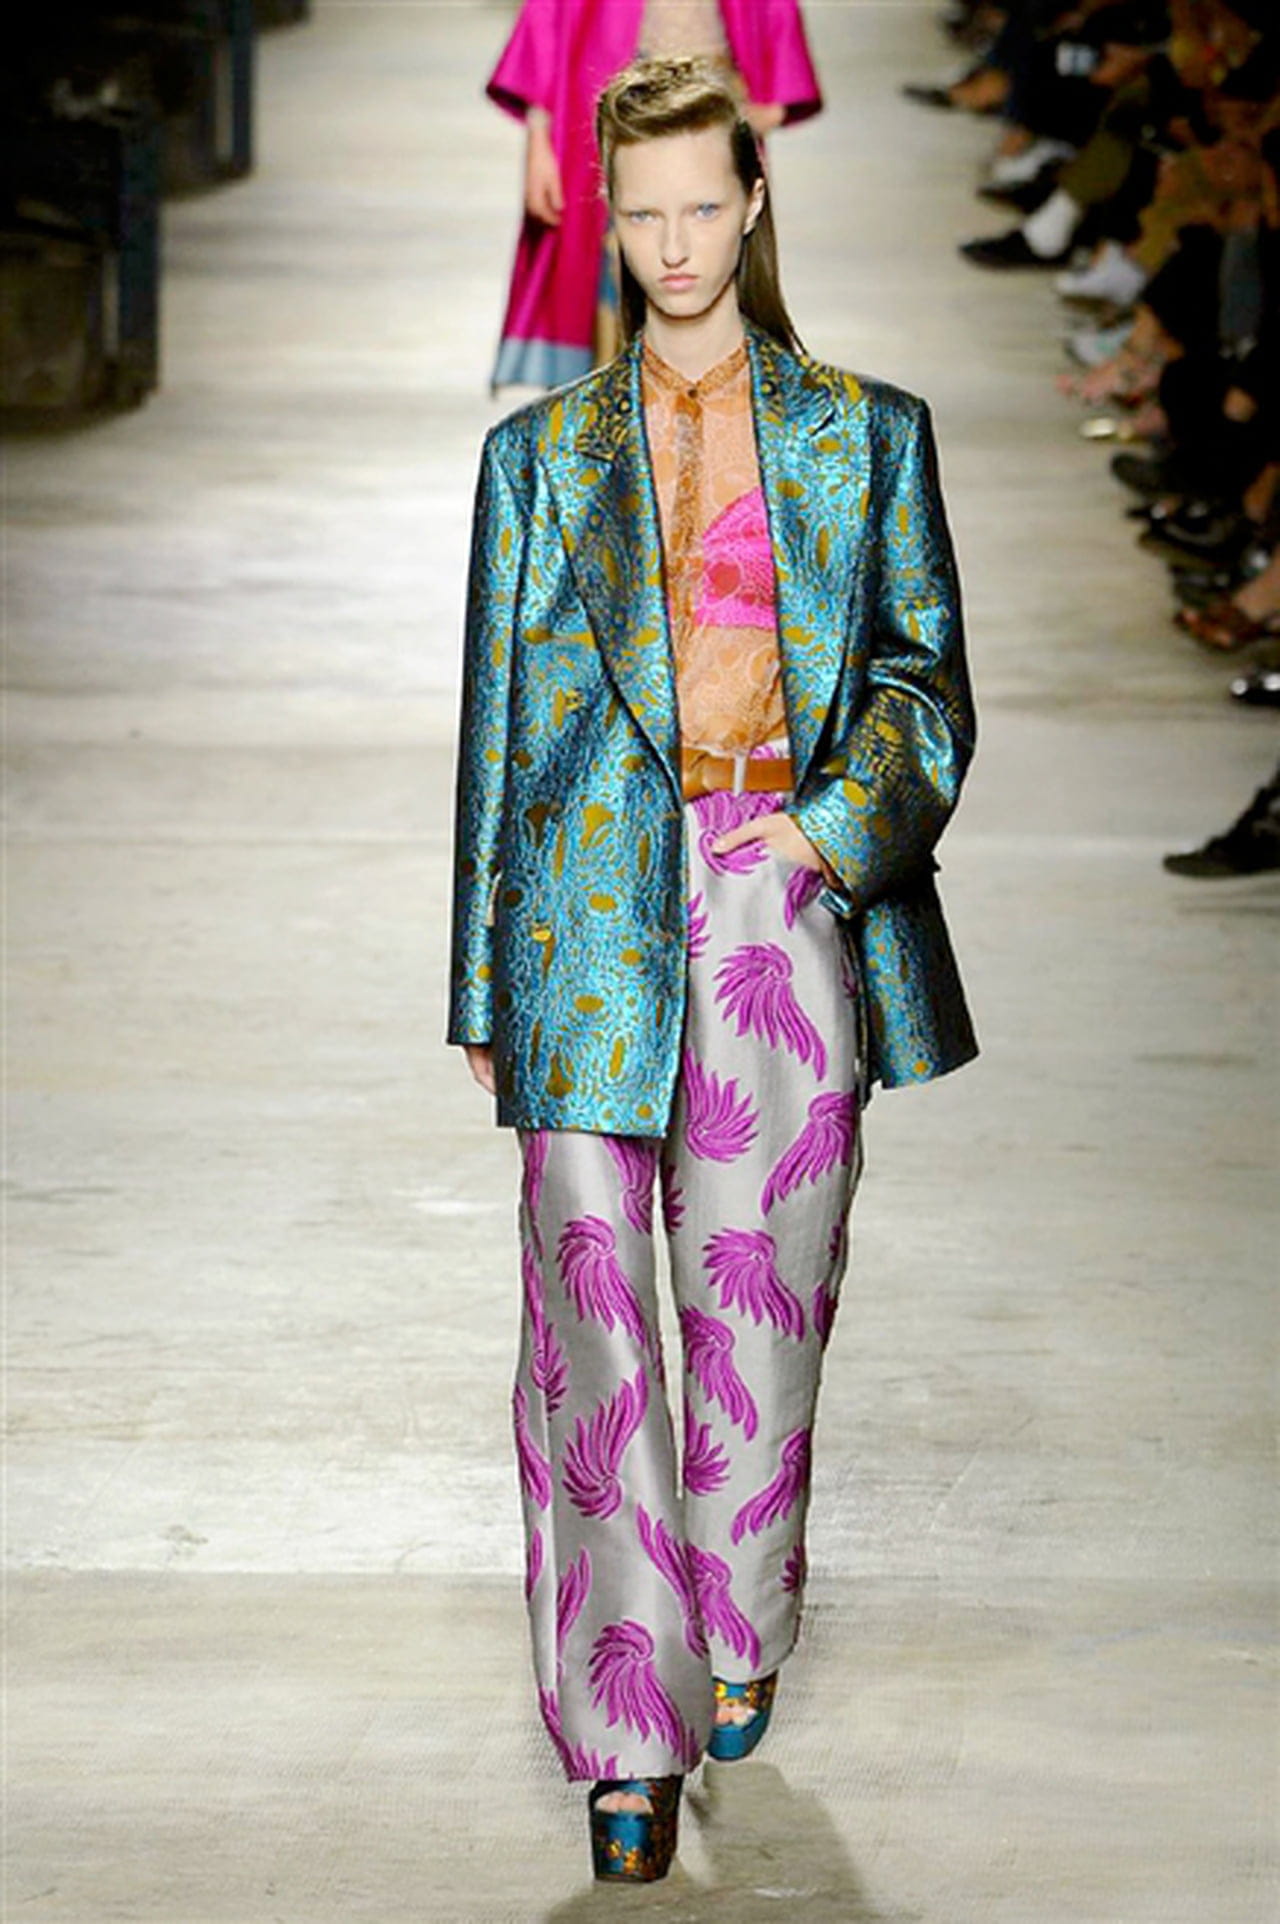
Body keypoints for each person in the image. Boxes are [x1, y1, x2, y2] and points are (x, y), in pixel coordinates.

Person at [448, 56, 977, 1885]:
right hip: (582, 914)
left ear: (755, 204)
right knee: (591, 1323)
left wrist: (825, 840)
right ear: (608, 221)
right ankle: (625, 1735)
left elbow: (924, 686)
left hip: (779, 894)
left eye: (703, 205)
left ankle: (738, 1612)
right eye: (643, 212)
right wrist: (482, 980)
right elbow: (498, 726)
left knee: (764, 1298)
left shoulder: (864, 434)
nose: (675, 245)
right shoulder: (537, 462)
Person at [485, 0, 821, 390]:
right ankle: (616, 402)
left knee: (716, 266)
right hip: (618, 114)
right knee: (618, 268)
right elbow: (552, 13)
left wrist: (767, 107)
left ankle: (718, 398)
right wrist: (539, 136)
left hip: (711, 114)